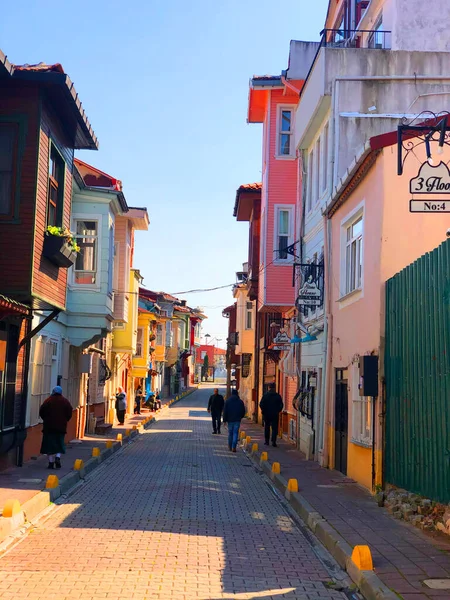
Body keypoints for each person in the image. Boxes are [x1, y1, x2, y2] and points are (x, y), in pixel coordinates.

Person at [39, 386, 73, 470]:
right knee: (59, 443)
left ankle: (50, 463)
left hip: (49, 427)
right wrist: (65, 420)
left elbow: (41, 411)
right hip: (61, 427)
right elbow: (69, 412)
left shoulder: (48, 401)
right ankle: (57, 457)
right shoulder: (65, 401)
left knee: (49, 445)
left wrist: (46, 419)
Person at [260, 383, 283, 447]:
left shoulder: (265, 395)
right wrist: (278, 410)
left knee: (267, 427)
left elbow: (261, 404)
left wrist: (263, 410)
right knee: (274, 428)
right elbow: (281, 405)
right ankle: (273, 441)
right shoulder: (277, 396)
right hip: (275, 414)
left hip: (267, 414)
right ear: (274, 388)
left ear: (269, 388)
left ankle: (267, 441)